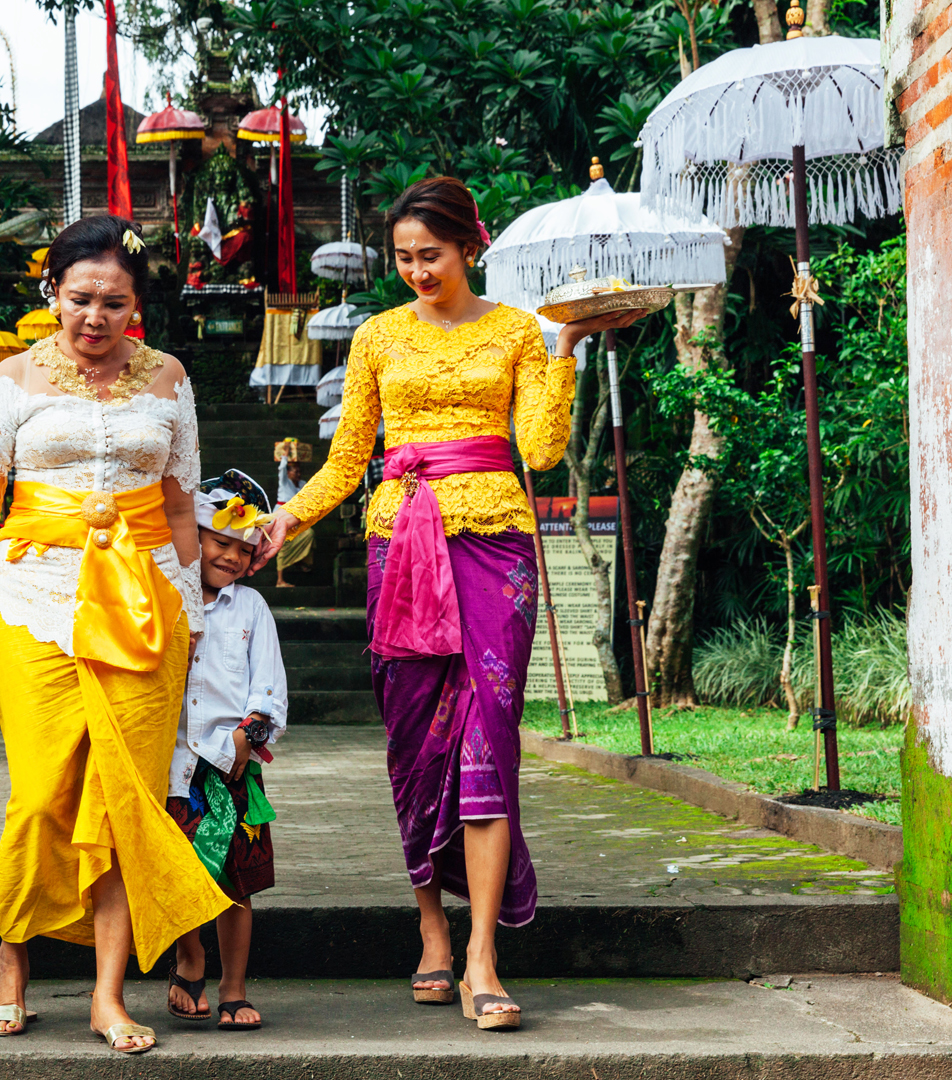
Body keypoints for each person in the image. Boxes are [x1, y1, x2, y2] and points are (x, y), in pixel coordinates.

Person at [251, 177, 647, 1031]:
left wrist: (566, 345)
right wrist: (290, 515)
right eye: (403, 258)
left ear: (470, 245)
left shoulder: (513, 329)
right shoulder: (377, 337)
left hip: (495, 546)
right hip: (400, 547)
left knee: (490, 737)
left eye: (431, 255)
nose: (417, 272)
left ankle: (481, 955)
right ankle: (431, 925)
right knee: (414, 743)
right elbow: (350, 454)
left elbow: (538, 449)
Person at [0, 214, 231, 1055]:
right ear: (52, 295)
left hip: (146, 610)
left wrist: (194, 615)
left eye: (114, 302)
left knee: (122, 801)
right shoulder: (9, 381)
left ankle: (109, 994)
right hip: (32, 600)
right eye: (79, 300)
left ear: (137, 304)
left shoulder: (169, 378)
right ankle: (13, 960)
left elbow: (182, 506)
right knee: (40, 796)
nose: (95, 319)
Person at [165, 470, 287, 1031]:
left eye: (244, 549)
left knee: (235, 883)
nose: (232, 557)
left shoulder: (251, 610)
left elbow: (269, 692)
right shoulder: (163, 595)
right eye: (220, 542)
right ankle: (189, 958)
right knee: (177, 872)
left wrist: (250, 735)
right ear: (192, 534)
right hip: (171, 768)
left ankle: (233, 987)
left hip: (234, 767)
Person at [274, 444, 312, 587]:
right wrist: (285, 456)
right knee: (283, 545)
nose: (297, 473)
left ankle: (302, 561)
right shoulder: (284, 482)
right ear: (288, 473)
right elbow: (281, 471)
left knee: (309, 534)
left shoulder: (302, 484)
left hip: (296, 518)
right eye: (294, 471)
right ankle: (280, 580)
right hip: (281, 516)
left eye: (299, 471)